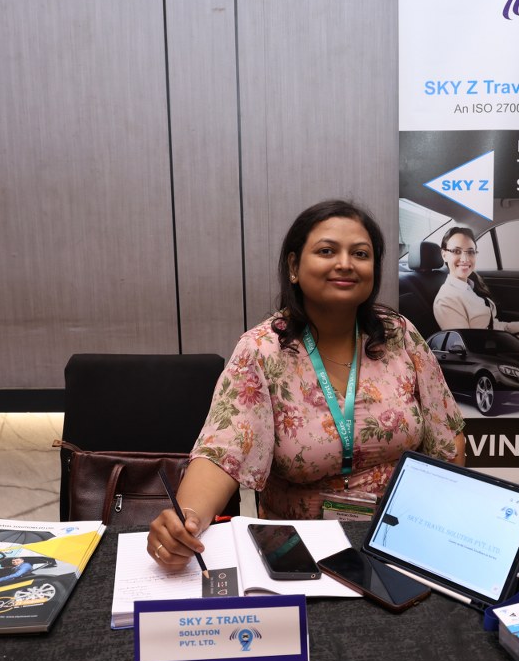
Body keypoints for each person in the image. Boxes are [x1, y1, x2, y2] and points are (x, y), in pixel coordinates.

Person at [148, 199, 465, 570]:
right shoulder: (261, 350)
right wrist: (186, 521)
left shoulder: (399, 334)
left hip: (398, 540)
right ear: (294, 267)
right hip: (300, 552)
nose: (345, 263)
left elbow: (447, 438)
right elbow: (222, 453)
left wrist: (439, 529)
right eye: (327, 251)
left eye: (360, 254)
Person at [432, 226, 519, 352]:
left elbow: (493, 326)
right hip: (497, 356)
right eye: (456, 251)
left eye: (470, 252)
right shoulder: (446, 300)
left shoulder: (470, 286)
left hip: (501, 345)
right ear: (444, 255)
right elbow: (469, 351)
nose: (465, 259)